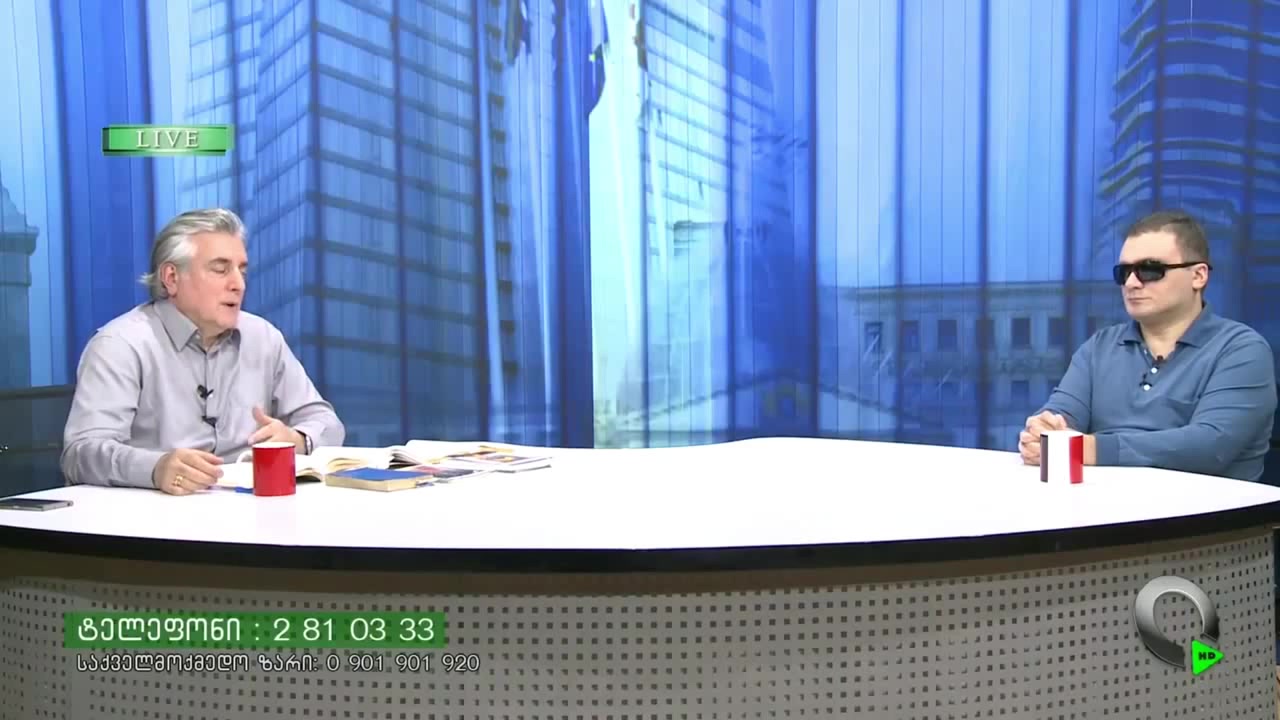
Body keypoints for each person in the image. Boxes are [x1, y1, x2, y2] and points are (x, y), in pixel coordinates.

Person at [61, 208, 345, 495]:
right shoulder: (120, 345)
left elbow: (326, 421)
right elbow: (81, 454)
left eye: (242, 271)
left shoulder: (262, 337)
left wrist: (298, 439)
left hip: (252, 508)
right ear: (171, 277)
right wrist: (155, 468)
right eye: (220, 270)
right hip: (157, 512)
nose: (238, 285)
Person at [1019, 210, 1276, 481]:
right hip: (1101, 502)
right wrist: (1041, 434)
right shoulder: (1099, 347)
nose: (1131, 283)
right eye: (1124, 272)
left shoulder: (1241, 350)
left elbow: (1211, 446)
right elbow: (1060, 416)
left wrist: (1088, 449)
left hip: (1206, 507)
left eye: (1150, 270)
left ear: (1198, 276)